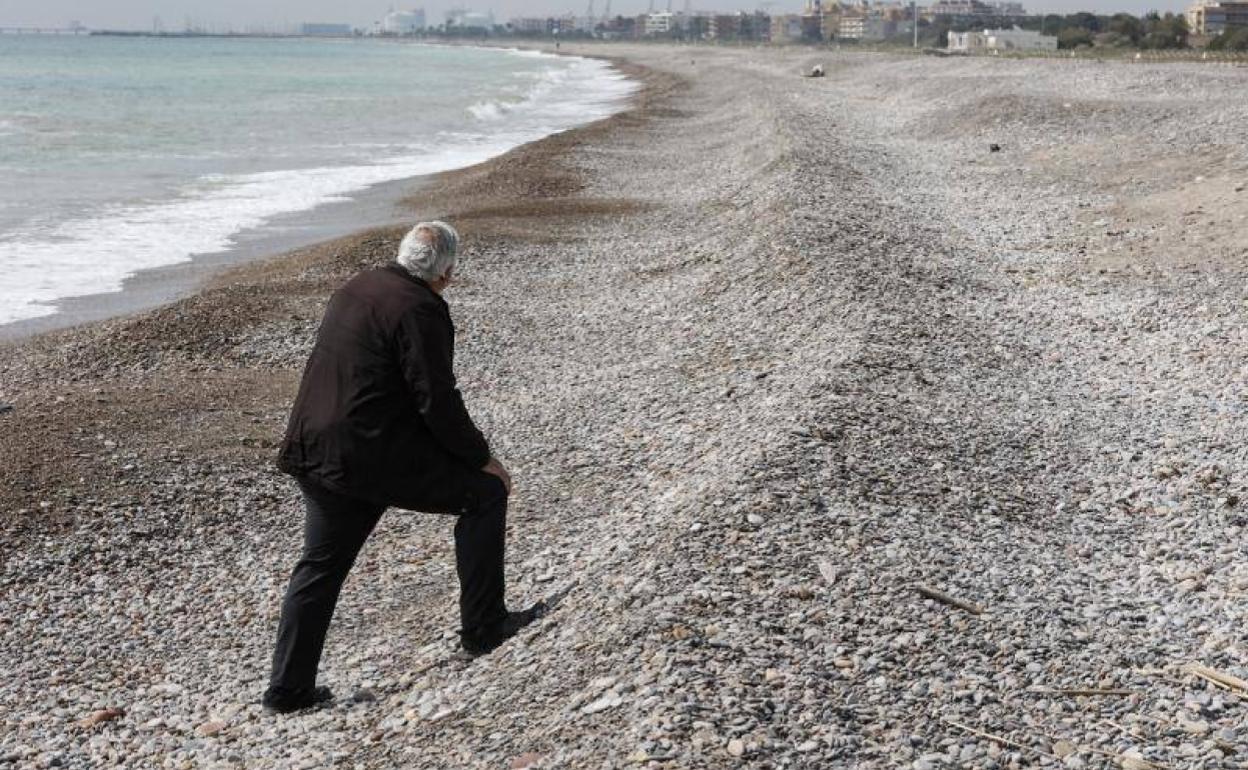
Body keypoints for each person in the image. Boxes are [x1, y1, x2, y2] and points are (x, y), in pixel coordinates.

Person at [262, 221, 541, 715]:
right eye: (452, 272)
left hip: (313, 442)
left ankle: (287, 690)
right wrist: (483, 459)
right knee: (485, 493)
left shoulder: (358, 285)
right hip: (362, 455)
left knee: (320, 566)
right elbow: (436, 399)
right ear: (447, 272)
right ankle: (484, 628)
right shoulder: (421, 309)